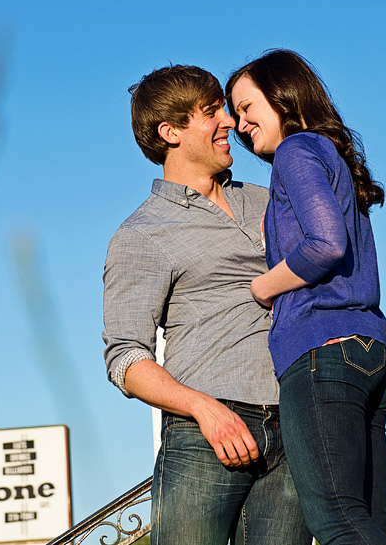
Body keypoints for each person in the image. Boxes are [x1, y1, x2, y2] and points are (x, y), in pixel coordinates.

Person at [101, 64, 310, 545]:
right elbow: (125, 359)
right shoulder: (141, 235)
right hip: (205, 437)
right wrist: (203, 410)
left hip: (295, 422)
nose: (231, 123)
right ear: (170, 132)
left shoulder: (272, 198)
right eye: (212, 112)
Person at [226, 50, 386, 545]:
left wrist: (261, 287)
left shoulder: (296, 152)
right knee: (367, 523)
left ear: (283, 94)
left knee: (338, 523)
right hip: (371, 353)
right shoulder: (330, 155)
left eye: (246, 107)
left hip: (324, 352)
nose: (240, 124)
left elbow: (326, 244)